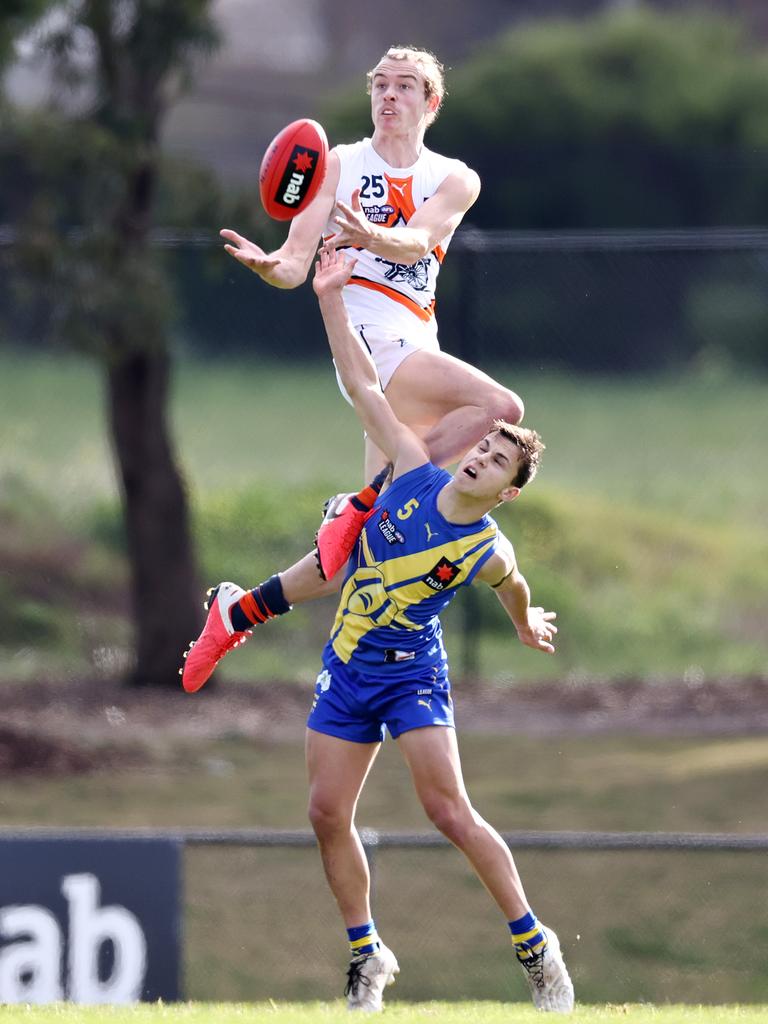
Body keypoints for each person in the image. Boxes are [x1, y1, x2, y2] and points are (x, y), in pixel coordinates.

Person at [184, 243, 575, 1014]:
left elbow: (515, 586)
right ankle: (369, 956)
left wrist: (529, 626)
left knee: (448, 812)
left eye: (497, 462)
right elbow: (364, 383)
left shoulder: (485, 548)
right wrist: (330, 295)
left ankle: (537, 947)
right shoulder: (410, 469)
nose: (481, 459)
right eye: (483, 447)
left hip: (411, 673)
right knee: (326, 812)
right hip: (348, 665)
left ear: (507, 492)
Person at [219, 45, 525, 588]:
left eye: (405, 85)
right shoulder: (338, 163)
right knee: (500, 406)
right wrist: (270, 267)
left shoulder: (455, 178)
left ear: (430, 104)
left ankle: (241, 608)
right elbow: (295, 263)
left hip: (416, 341)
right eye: (380, 83)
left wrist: (369, 234)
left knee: (373, 557)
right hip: (365, 341)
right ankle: (366, 500)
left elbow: (417, 241)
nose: (388, 93)